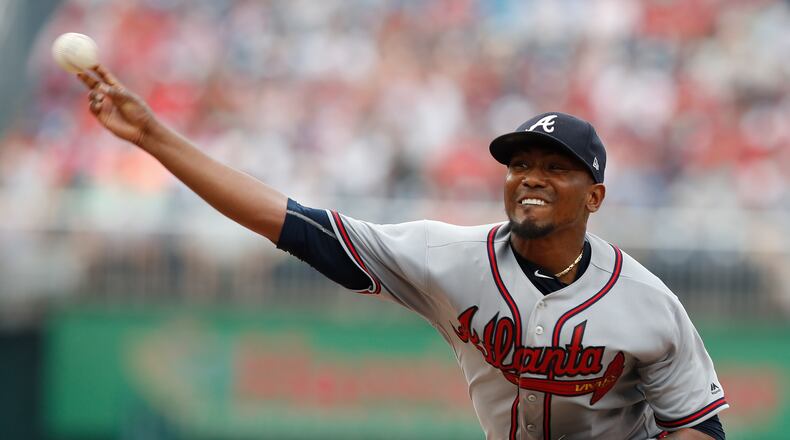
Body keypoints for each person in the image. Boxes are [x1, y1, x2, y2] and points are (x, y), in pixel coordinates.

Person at [77, 66, 727, 439]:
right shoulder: (446, 256)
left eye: (556, 168)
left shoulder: (647, 304)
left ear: (595, 197)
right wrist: (155, 138)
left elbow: (699, 426)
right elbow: (295, 225)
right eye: (521, 162)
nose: (531, 175)